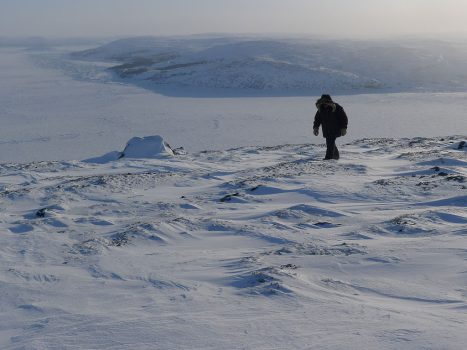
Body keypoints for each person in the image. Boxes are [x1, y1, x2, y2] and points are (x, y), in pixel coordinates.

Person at [313, 94, 348, 160]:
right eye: (323, 102)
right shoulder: (321, 109)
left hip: (335, 129)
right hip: (326, 130)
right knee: (330, 143)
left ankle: (328, 158)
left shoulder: (337, 108)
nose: (325, 104)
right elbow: (317, 119)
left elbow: (344, 118)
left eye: (326, 102)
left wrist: (344, 128)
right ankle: (336, 156)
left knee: (330, 143)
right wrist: (316, 128)